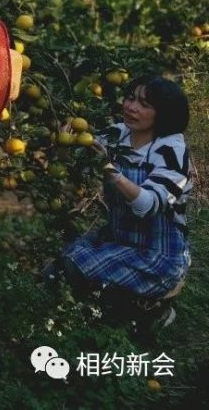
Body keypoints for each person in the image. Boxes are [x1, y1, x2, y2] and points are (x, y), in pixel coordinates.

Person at [56, 75, 192, 332]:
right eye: (130, 98)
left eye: (144, 104)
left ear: (163, 114)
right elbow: (79, 161)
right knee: (63, 264)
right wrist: (66, 146)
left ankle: (152, 307)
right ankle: (125, 305)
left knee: (76, 271)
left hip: (157, 252)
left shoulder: (171, 150)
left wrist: (111, 171)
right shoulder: (119, 133)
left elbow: (150, 205)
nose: (131, 107)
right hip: (121, 237)